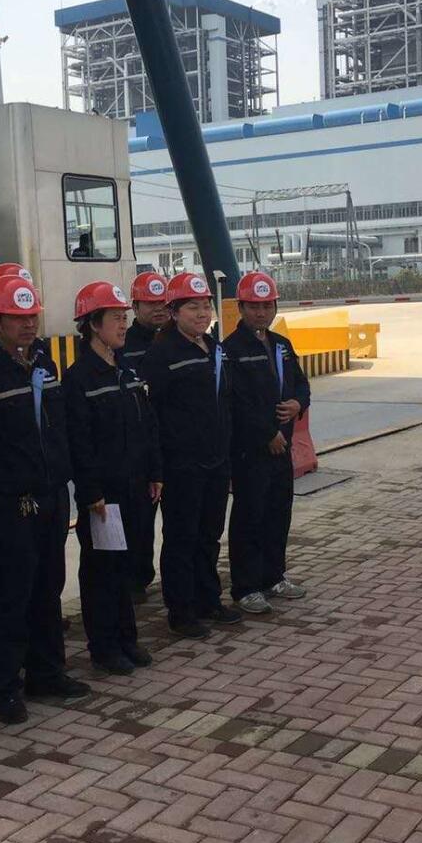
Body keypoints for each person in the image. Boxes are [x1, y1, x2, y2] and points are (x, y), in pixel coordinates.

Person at [0, 274, 89, 724]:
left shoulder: (43, 363)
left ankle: (47, 672)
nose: (28, 324)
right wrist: (2, 486)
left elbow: (58, 425)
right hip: (11, 503)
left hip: (52, 495)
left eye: (32, 316)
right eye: (17, 317)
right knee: (10, 595)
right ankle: (4, 687)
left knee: (48, 588)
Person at [62, 281, 159, 674]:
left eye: (124, 318)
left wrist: (155, 471)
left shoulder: (127, 370)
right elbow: (79, 442)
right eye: (116, 318)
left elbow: (147, 425)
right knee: (103, 570)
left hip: (135, 487)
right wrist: (91, 492)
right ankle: (104, 647)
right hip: (104, 496)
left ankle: (126, 639)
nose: (123, 325)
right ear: (92, 324)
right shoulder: (79, 379)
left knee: (127, 567)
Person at [141, 272, 240, 640]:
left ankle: (208, 599)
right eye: (193, 307)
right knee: (182, 538)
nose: (202, 313)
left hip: (216, 460)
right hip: (182, 465)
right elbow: (152, 414)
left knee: (209, 535)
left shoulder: (214, 347)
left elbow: (225, 402)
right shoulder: (162, 354)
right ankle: (181, 611)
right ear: (173, 312)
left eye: (205, 306)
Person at [223, 271, 310, 615]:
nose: (261, 313)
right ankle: (246, 587)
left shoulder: (281, 345)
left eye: (267, 306)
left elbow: (301, 384)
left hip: (281, 450)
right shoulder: (231, 350)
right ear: (241, 308)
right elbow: (237, 402)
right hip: (251, 452)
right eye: (254, 306)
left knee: (278, 513)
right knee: (250, 517)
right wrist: (266, 434)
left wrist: (298, 403)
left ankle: (274, 576)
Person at [119, 271, 170, 600]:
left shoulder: (177, 339)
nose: (158, 309)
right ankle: (135, 580)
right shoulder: (123, 345)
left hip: (173, 445)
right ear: (135, 307)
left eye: (163, 302)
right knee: (139, 520)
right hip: (141, 448)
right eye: (150, 303)